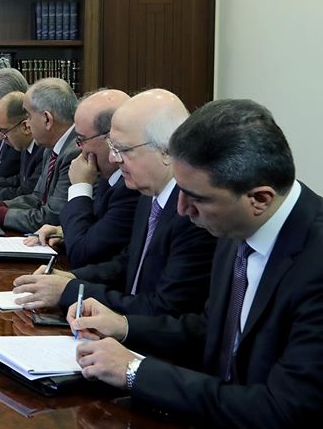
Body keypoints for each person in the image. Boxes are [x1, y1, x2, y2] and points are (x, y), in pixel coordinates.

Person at [72, 99, 323, 427]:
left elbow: (281, 408)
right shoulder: (235, 223)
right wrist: (124, 326)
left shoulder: (314, 263)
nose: (181, 209)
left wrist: (136, 371)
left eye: (196, 197)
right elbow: (211, 328)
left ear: (259, 199)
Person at [13, 89, 215, 317]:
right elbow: (127, 263)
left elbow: (163, 309)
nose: (112, 158)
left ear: (167, 149)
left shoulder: (191, 212)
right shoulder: (150, 196)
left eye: (124, 150)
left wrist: (71, 291)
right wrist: (74, 278)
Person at [25, 89, 140, 268]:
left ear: (111, 138)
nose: (79, 149)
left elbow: (82, 255)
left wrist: (80, 185)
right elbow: (95, 234)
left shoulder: (131, 189)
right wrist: (63, 233)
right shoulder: (108, 178)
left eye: (81, 140)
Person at [0, 77, 80, 233]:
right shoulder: (50, 147)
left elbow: (53, 217)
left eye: (29, 117)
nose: (28, 125)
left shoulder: (74, 153)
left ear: (47, 119)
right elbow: (36, 199)